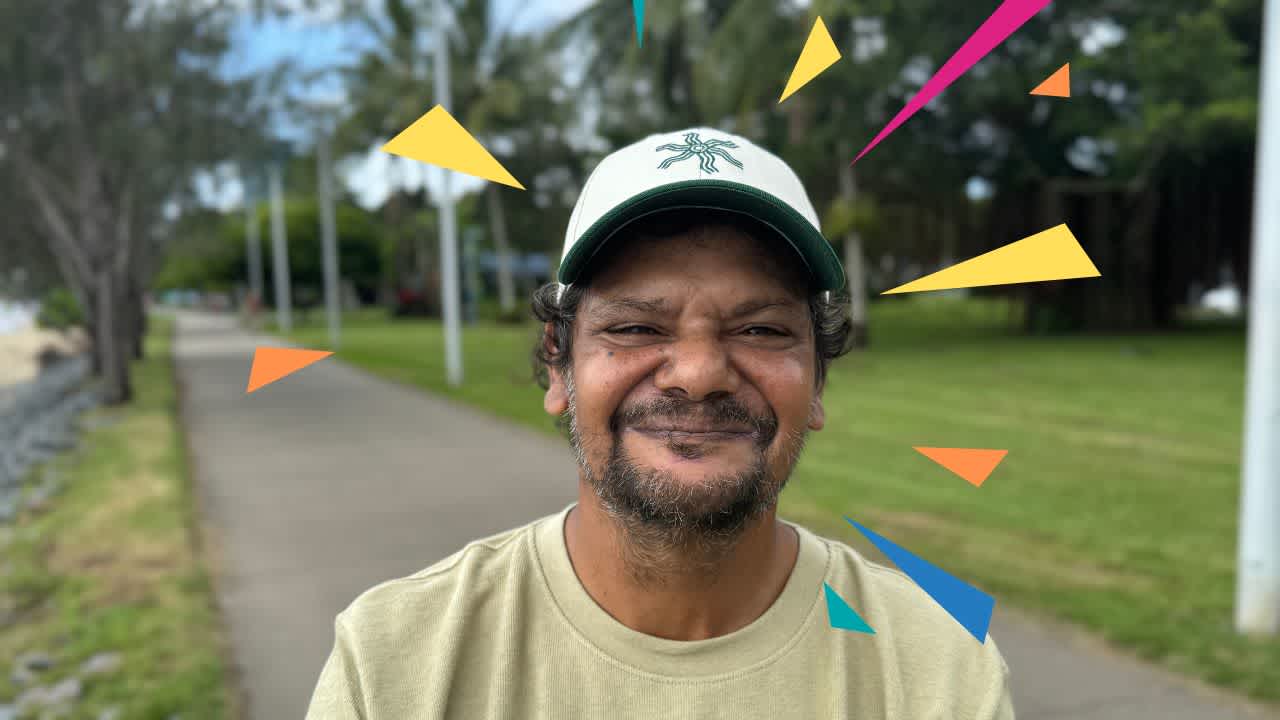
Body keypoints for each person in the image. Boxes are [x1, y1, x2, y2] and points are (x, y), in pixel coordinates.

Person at [305, 128, 1015, 719]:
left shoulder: (938, 670)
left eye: (763, 330)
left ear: (819, 379)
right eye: (638, 326)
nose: (698, 373)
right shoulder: (399, 662)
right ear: (559, 366)